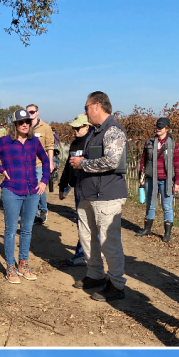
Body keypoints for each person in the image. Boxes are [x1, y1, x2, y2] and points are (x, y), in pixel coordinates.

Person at [68, 91, 129, 302]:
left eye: (86, 107)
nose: (85, 111)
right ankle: (95, 274)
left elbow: (112, 161)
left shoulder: (113, 131)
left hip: (106, 195)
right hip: (88, 193)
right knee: (87, 237)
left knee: (108, 242)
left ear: (97, 106)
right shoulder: (95, 132)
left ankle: (116, 284)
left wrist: (82, 163)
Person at [0, 109, 49, 284]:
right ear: (15, 125)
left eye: (27, 121)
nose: (25, 124)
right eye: (21, 122)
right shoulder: (5, 142)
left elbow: (46, 161)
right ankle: (10, 267)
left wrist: (44, 180)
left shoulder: (34, 142)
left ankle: (23, 264)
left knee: (27, 229)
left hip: (32, 190)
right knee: (10, 230)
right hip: (11, 190)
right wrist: (1, 169)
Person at [137, 117, 179, 242]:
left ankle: (167, 233)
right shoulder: (149, 143)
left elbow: (178, 165)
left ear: (167, 129)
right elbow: (143, 161)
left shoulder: (173, 145)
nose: (157, 129)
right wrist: (141, 177)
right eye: (157, 126)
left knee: (166, 206)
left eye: (160, 127)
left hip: (167, 180)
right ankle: (147, 229)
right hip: (151, 179)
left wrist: (177, 182)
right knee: (150, 204)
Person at [58, 114, 91, 265]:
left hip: (89, 187)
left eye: (78, 128)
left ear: (87, 127)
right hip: (77, 186)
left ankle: (84, 254)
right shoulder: (74, 144)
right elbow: (68, 167)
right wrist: (63, 185)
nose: (75, 131)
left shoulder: (91, 143)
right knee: (82, 221)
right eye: (74, 128)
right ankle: (85, 253)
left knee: (89, 222)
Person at [27, 104, 54, 225]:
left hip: (40, 163)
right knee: (31, 188)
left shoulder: (45, 128)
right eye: (28, 112)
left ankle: (42, 210)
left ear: (38, 112)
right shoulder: (24, 126)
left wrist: (51, 163)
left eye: (32, 112)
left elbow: (50, 146)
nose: (30, 114)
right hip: (27, 164)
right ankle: (34, 214)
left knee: (38, 187)